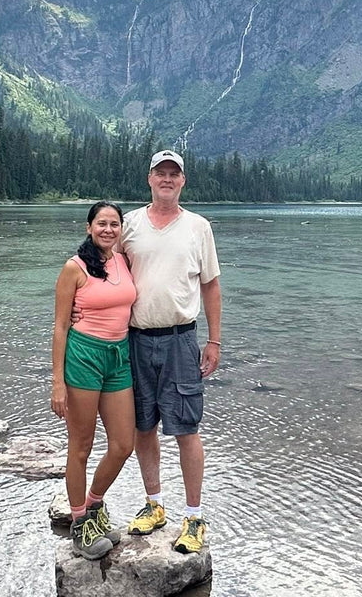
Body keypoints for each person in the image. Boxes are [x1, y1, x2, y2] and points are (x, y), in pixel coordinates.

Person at [121, 149, 222, 555]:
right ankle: (154, 504)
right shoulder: (128, 224)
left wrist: (214, 341)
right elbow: (105, 274)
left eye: (174, 174)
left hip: (181, 338)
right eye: (160, 172)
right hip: (135, 338)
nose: (167, 179)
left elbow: (211, 285)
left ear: (183, 182)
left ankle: (194, 516)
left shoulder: (198, 227)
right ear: (149, 179)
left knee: (186, 428)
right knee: (143, 426)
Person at [52, 200, 137, 560]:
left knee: (123, 444)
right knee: (81, 445)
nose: (108, 229)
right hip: (83, 356)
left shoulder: (124, 261)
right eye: (101, 223)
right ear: (89, 227)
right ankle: (79, 523)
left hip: (118, 357)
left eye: (114, 224)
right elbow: (59, 327)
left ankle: (94, 505)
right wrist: (57, 381)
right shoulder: (74, 268)